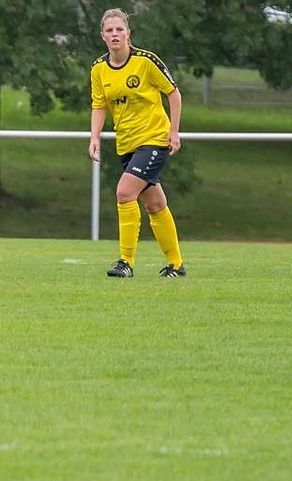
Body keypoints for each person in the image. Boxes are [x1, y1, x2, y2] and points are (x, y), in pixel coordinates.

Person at [89, 8, 185, 279]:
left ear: (128, 33)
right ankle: (176, 265)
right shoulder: (98, 69)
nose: (115, 34)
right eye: (109, 30)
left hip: (154, 139)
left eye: (119, 29)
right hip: (127, 145)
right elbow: (99, 105)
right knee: (155, 204)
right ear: (102, 36)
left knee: (124, 192)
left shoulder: (146, 61)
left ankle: (126, 262)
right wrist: (95, 136)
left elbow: (173, 94)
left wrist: (174, 131)